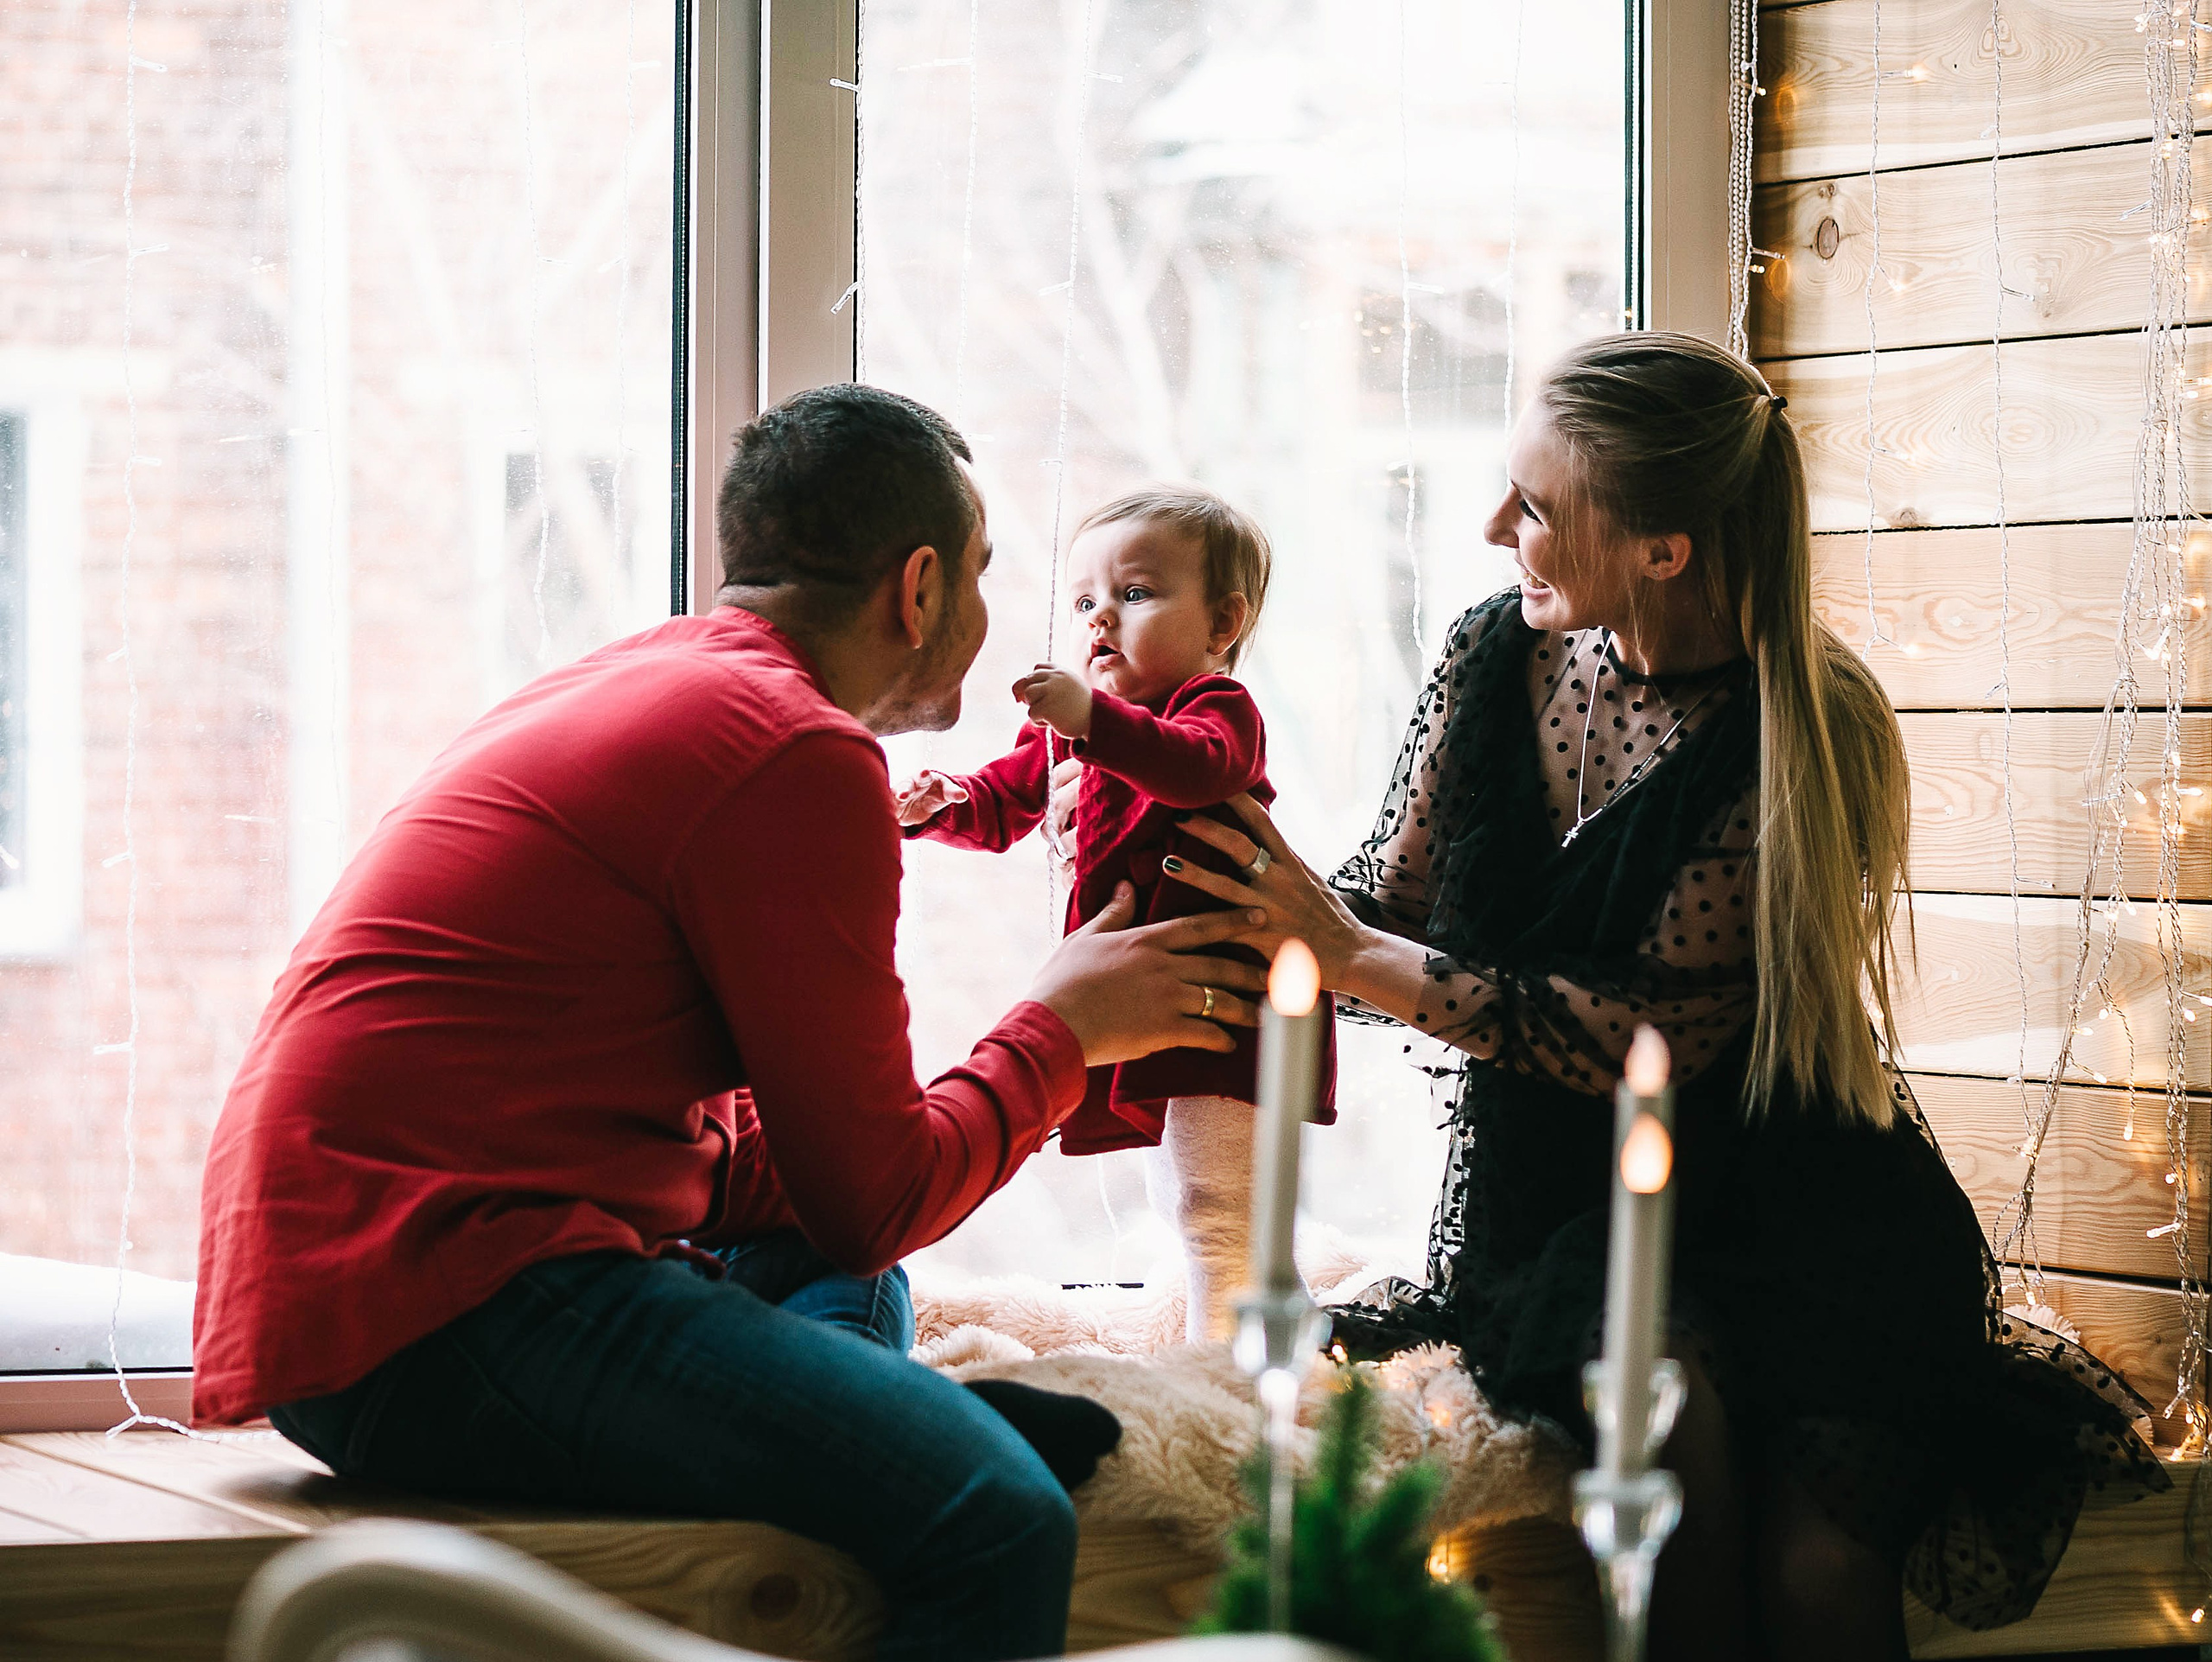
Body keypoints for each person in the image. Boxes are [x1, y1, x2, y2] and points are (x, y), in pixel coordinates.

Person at [191, 385, 1273, 1662]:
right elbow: (878, 1192)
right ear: (918, 588)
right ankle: (912, 1431)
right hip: (440, 1299)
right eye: (983, 576)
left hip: (378, 1274)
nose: (996, 619)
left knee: (849, 1271)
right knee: (996, 1512)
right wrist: (1061, 1028)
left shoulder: (652, 681)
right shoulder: (795, 752)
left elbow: (814, 1189)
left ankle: (860, 1409)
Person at [1140, 333, 2168, 1660]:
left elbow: (1644, 1036)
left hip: (1800, 1207)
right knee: (1667, 1427)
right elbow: (1387, 903)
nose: (1494, 524)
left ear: (1663, 548)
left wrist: (1340, 953)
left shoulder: (1801, 724)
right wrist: (1229, 907)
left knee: (1816, 1564)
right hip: (1576, 1215)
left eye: (1539, 505)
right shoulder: (1489, 655)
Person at [897, 486, 1336, 1343]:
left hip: (1230, 994)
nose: (1099, 620)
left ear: (1222, 624)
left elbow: (1195, 771)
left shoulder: (1213, 710)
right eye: (1083, 601)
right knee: (1178, 1190)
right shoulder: (1076, 733)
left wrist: (1093, 720)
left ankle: (1232, 1373)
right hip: (1155, 994)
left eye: (1133, 595)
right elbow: (1003, 804)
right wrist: (942, 801)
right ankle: (1208, 1345)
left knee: (1221, 1201)